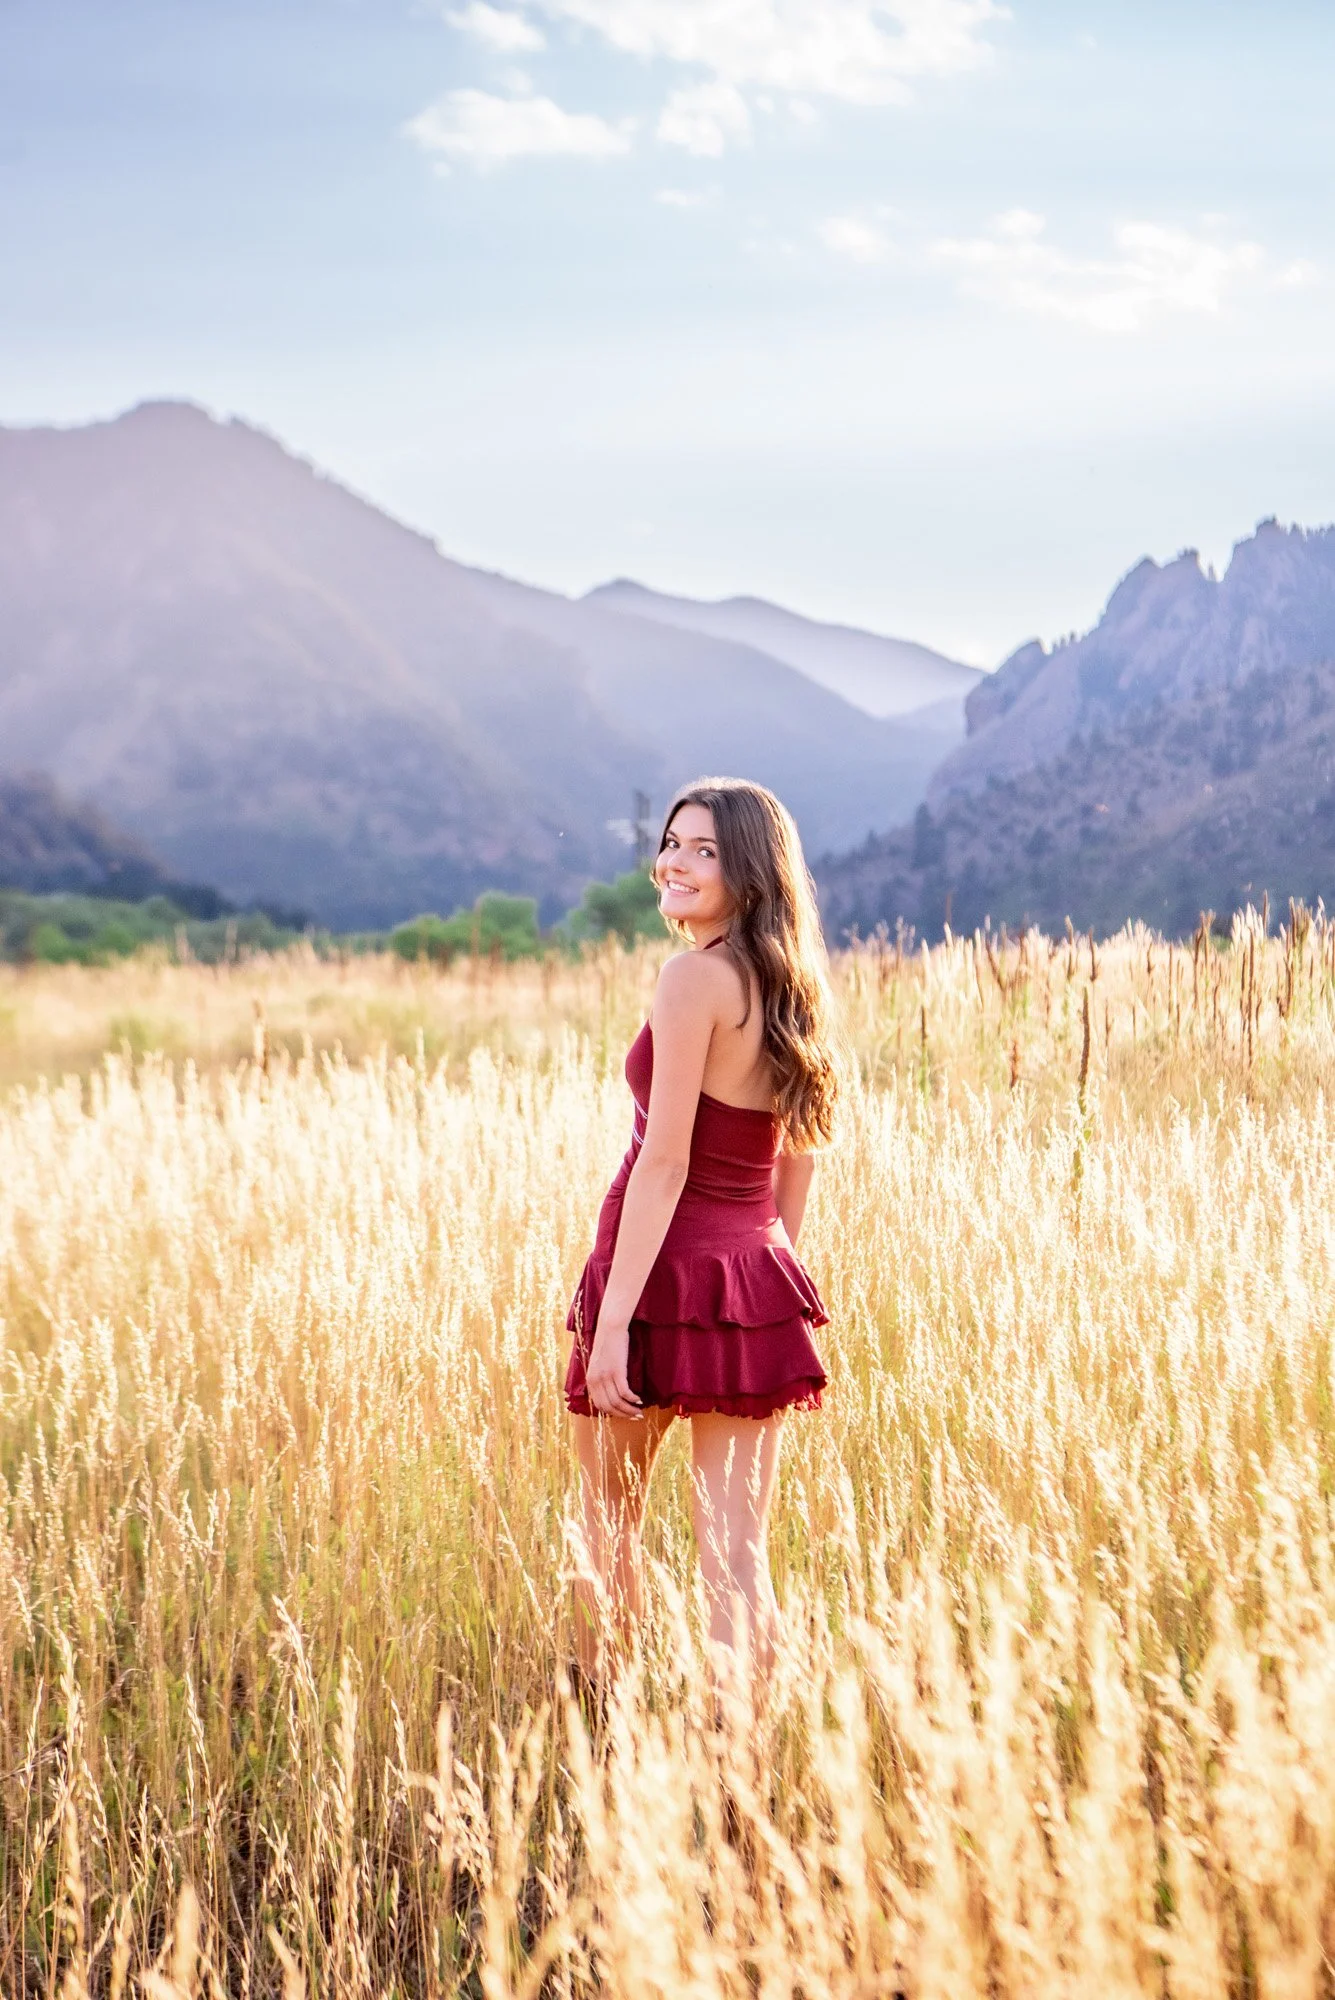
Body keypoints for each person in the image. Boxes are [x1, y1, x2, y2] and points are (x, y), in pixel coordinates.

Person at [564, 775, 840, 1676]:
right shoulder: (793, 987)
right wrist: (772, 1279)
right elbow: (795, 1155)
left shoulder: (692, 979)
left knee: (605, 1526)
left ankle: (606, 1736)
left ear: (750, 873)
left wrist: (611, 1327)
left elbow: (665, 1161)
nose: (674, 862)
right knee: (735, 1558)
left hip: (656, 1277)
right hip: (753, 1277)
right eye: (673, 843)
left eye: (703, 850)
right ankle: (742, 1777)